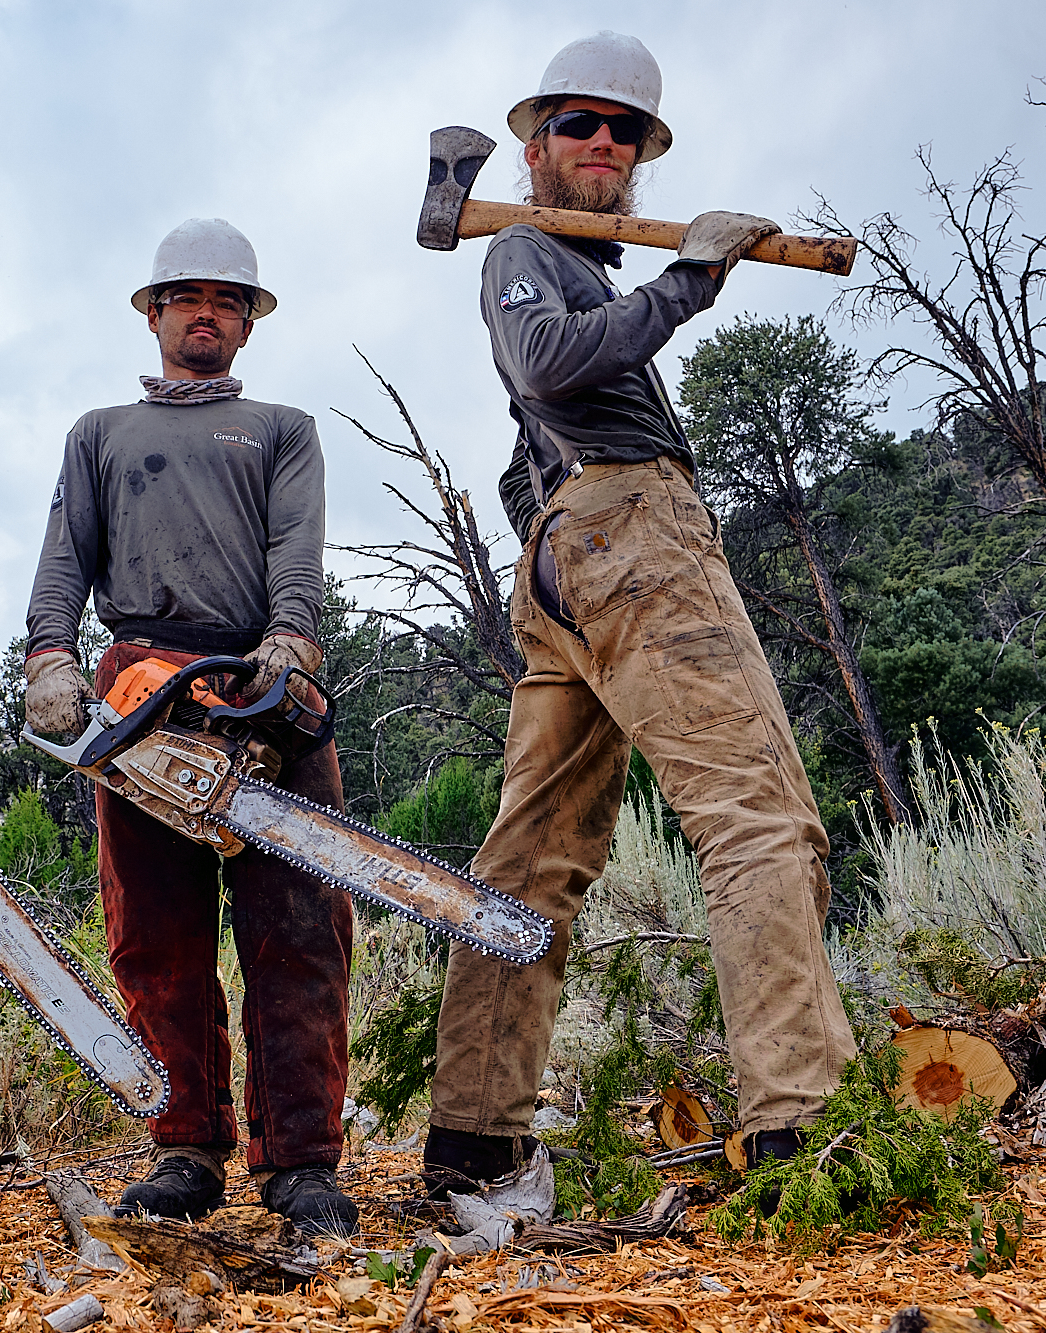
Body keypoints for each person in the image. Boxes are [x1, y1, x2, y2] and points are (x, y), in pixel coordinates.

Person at [421, 31, 858, 1197]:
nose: (603, 143)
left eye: (624, 131)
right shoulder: (521, 248)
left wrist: (557, 534)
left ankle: (473, 1143)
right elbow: (553, 366)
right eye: (578, 124)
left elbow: (536, 415)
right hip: (632, 540)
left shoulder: (571, 263)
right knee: (758, 819)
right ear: (533, 143)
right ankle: (802, 1129)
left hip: (573, 556)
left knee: (531, 858)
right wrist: (689, 284)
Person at [22, 219, 358, 1235]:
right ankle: (185, 1146)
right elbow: (61, 554)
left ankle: (299, 1157)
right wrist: (49, 653)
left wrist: (290, 642)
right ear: (155, 312)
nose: (206, 312)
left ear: (246, 325)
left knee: (298, 930)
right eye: (188, 297)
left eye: (228, 300)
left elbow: (295, 549)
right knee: (156, 933)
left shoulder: (281, 428)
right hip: (136, 682)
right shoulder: (98, 432)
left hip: (257, 675)